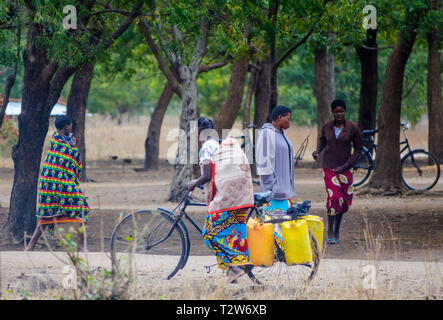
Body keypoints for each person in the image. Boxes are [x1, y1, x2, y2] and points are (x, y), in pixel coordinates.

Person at [187, 117, 255, 283]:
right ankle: (233, 271)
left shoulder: (207, 147)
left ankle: (237, 265)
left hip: (224, 199)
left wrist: (193, 183)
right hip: (237, 198)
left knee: (209, 233)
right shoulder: (217, 144)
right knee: (232, 232)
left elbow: (207, 175)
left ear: (201, 129)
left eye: (196, 130)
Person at [25, 115, 90, 251]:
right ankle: (81, 246)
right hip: (55, 182)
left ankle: (30, 247)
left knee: (49, 212)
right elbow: (70, 156)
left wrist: (71, 146)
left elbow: (66, 160)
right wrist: (73, 147)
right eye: (70, 126)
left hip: (50, 182)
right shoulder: (58, 141)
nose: (71, 128)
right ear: (66, 127)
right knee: (81, 207)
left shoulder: (58, 139)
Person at [312, 99, 362, 245]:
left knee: (343, 200)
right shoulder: (327, 127)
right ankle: (330, 231)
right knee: (334, 197)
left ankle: (337, 230)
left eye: (341, 111)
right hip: (329, 167)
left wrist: (347, 165)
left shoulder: (353, 128)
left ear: (345, 112)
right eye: (336, 112)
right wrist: (317, 151)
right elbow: (322, 141)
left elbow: (358, 149)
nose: (339, 114)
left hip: (346, 169)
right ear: (332, 112)